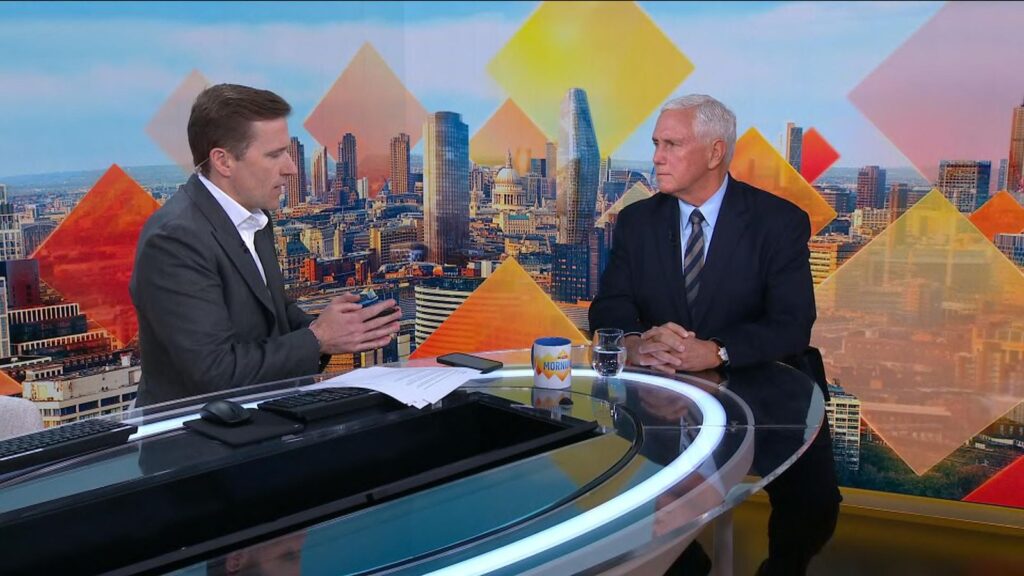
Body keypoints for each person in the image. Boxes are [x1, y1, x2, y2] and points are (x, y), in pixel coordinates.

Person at [589, 94, 840, 576]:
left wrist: (717, 351)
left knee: (814, 505)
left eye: (672, 144)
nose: (657, 157)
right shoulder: (637, 221)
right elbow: (611, 304)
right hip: (666, 394)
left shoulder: (779, 222)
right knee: (631, 502)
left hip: (766, 387)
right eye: (656, 143)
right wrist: (637, 342)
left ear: (714, 152)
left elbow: (792, 324)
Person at [131, 83, 400, 406]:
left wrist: (341, 326)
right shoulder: (174, 240)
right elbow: (214, 374)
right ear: (223, 161)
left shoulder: (255, 218)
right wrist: (318, 338)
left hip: (258, 419)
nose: (291, 168)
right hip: (194, 432)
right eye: (274, 155)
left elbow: (273, 317)